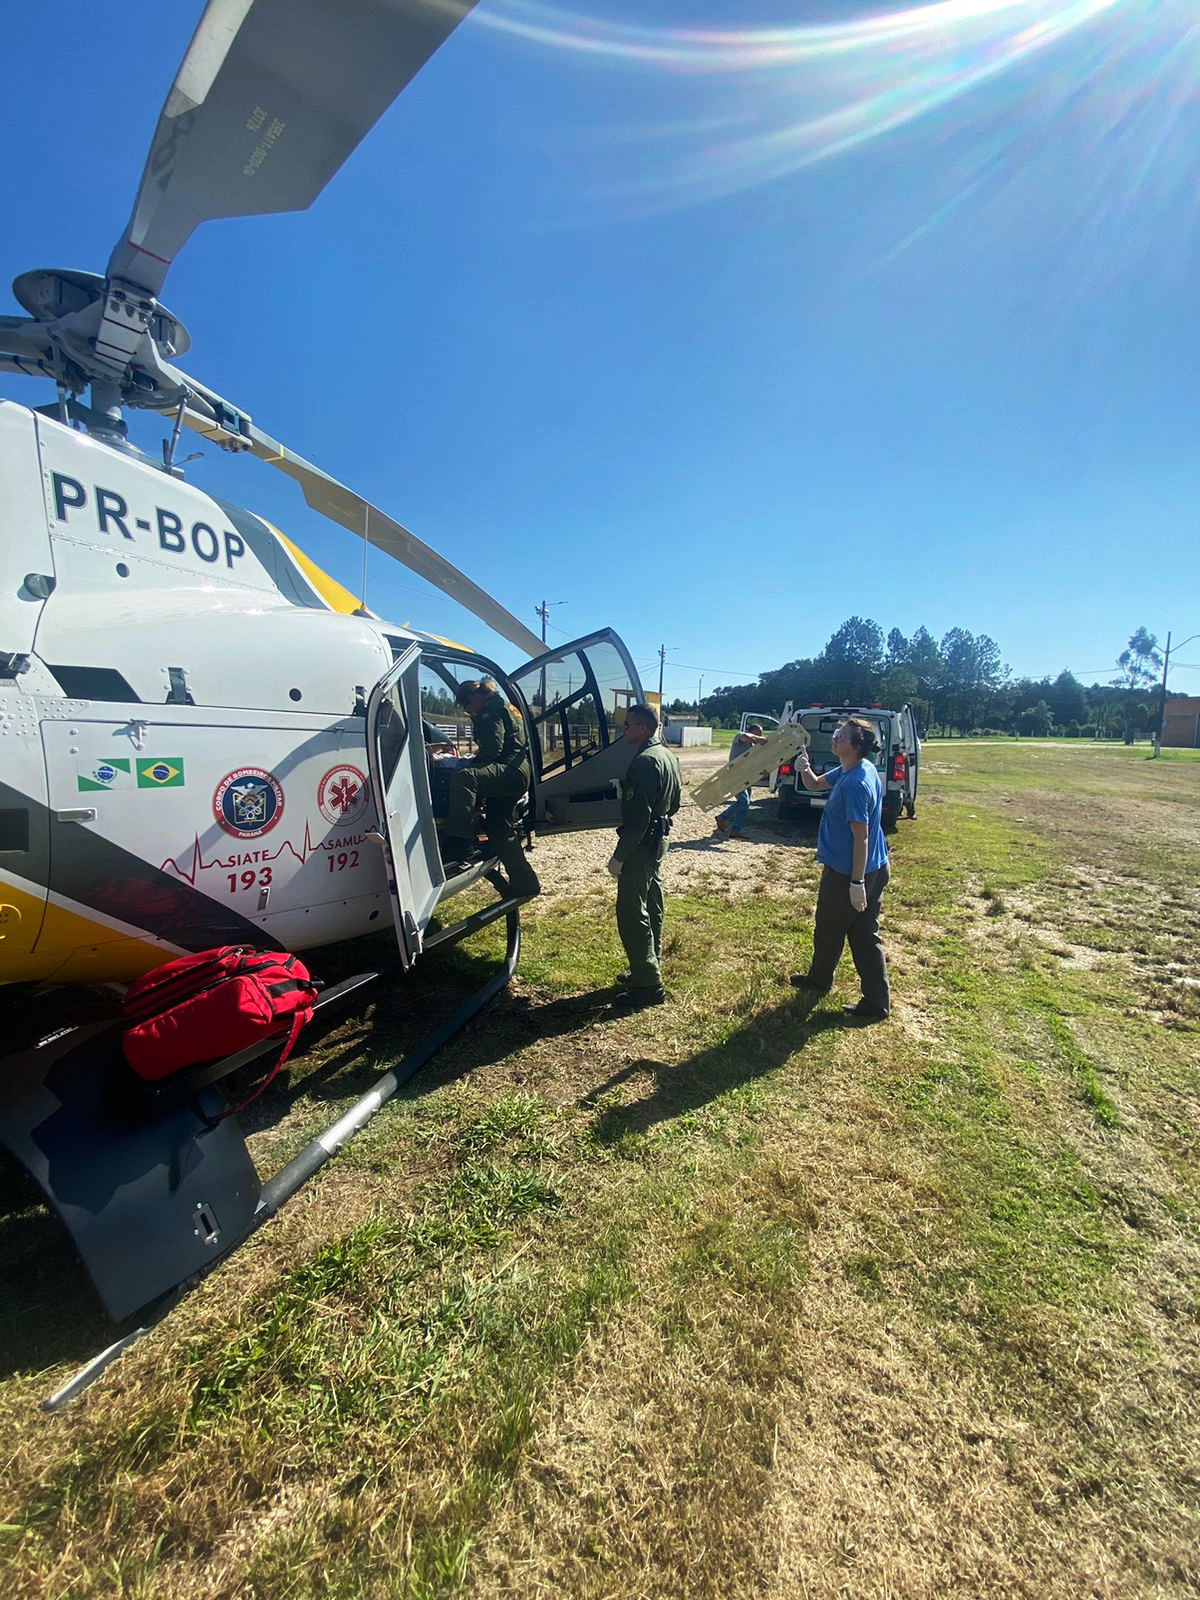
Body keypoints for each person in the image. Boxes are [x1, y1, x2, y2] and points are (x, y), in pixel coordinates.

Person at [789, 716, 890, 1024]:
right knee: (862, 934)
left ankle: (820, 981)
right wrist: (804, 768)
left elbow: (862, 836)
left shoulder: (857, 783)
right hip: (871, 867)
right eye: (837, 733)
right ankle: (875, 1002)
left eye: (842, 736)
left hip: (852, 872)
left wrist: (856, 883)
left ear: (856, 746)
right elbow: (816, 784)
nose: (835, 738)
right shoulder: (854, 769)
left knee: (830, 929)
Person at [607, 703, 681, 1007]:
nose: (623, 729)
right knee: (653, 903)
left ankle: (648, 985)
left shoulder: (643, 762)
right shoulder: (666, 755)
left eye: (627, 724)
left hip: (639, 845)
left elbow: (637, 821)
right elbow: (674, 804)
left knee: (631, 911)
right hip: (658, 842)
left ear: (643, 729)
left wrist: (619, 856)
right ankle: (648, 964)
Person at [442, 679, 540, 896]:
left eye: (467, 705)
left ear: (476, 697)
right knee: (498, 827)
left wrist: (468, 763)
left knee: (463, 778)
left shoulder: (490, 710)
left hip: (509, 770)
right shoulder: (504, 706)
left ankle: (461, 841)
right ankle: (526, 883)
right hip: (517, 771)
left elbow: (493, 748)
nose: (468, 711)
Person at [715, 723, 768, 838]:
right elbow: (748, 737)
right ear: (752, 731)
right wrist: (760, 739)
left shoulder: (752, 747)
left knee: (745, 803)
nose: (759, 737)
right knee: (744, 801)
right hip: (735, 775)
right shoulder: (740, 736)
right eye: (758, 733)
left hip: (744, 778)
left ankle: (736, 829)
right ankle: (722, 817)